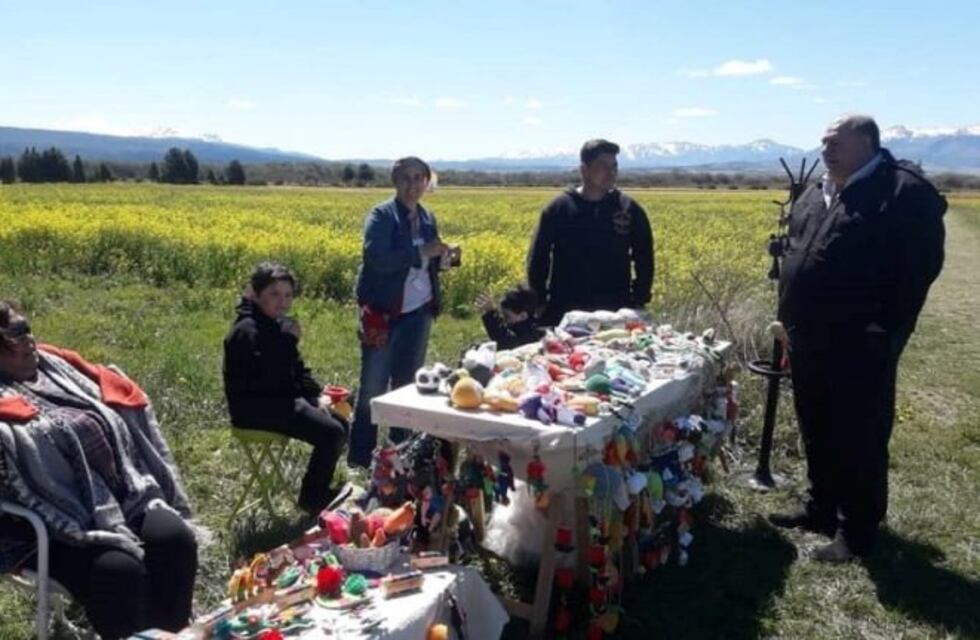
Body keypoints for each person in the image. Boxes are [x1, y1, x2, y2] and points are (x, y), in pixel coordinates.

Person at [769, 115, 946, 562]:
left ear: (868, 142)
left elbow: (919, 268)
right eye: (823, 142)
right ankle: (821, 508)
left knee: (859, 435)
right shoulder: (819, 190)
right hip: (807, 336)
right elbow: (799, 251)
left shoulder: (902, 191)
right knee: (816, 425)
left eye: (836, 142)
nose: (826, 150)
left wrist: (883, 331)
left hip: (860, 343)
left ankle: (857, 531)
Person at [0, 300, 198, 639]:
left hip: (122, 495)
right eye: (13, 338)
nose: (28, 342)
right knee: (119, 571)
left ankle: (173, 632)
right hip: (48, 527)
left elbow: (117, 396)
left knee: (174, 538)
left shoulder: (60, 368)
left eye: (26, 329)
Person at [348, 156, 458, 468]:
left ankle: (400, 459)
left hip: (418, 313)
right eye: (406, 178)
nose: (413, 185)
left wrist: (445, 258)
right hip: (383, 314)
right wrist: (421, 251)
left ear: (426, 182)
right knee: (373, 387)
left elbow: (426, 264)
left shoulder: (427, 217)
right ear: (395, 182)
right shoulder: (382, 216)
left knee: (407, 387)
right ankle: (360, 460)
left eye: (419, 178)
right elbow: (376, 258)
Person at [223, 262, 349, 513]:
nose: (282, 302)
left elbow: (296, 368)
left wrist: (317, 395)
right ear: (256, 293)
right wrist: (289, 341)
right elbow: (270, 379)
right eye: (274, 294)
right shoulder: (247, 330)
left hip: (278, 400)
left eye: (288, 295)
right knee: (332, 432)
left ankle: (319, 489)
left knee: (341, 420)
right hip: (254, 409)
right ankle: (313, 498)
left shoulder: (274, 322)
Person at [527, 138, 654, 326]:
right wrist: (539, 301)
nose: (611, 172)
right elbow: (538, 258)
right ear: (584, 170)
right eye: (603, 166)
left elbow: (644, 257)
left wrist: (639, 299)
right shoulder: (559, 208)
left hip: (615, 311)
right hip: (564, 310)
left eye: (614, 166)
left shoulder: (628, 209)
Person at [475, 284, 545, 350]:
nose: (504, 320)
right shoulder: (522, 325)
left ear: (523, 316)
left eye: (507, 316)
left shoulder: (530, 332)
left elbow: (505, 341)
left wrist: (491, 314)